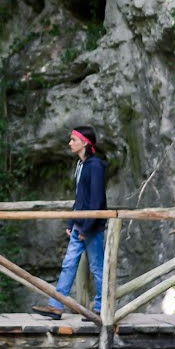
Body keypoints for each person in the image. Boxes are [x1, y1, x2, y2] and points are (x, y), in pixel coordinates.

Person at [35, 126, 107, 317]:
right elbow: (79, 198)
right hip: (80, 225)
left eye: (73, 139)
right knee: (68, 264)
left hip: (91, 226)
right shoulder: (81, 165)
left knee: (97, 267)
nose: (70, 143)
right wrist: (71, 222)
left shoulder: (96, 166)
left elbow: (97, 200)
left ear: (84, 142)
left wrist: (87, 227)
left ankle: (102, 308)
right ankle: (56, 306)